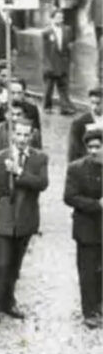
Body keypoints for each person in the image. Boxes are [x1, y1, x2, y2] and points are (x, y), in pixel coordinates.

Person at [0, 121, 48, 324]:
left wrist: (19, 172)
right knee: (0, 263)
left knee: (14, 266)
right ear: (12, 135)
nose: (22, 139)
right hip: (3, 218)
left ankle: (8, 301)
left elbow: (41, 184)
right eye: (18, 134)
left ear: (32, 136)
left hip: (25, 219)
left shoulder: (39, 158)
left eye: (26, 135)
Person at [63, 127, 103, 328]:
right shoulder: (76, 168)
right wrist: (96, 205)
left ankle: (100, 305)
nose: (94, 151)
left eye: (98, 147)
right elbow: (69, 197)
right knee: (87, 271)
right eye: (90, 147)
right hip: (86, 229)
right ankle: (89, 311)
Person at [42, 9, 76, 115]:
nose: (60, 19)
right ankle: (47, 106)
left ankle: (64, 107)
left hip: (62, 63)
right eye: (57, 17)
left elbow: (69, 47)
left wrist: (69, 61)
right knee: (49, 88)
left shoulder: (67, 30)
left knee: (63, 86)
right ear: (52, 18)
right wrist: (47, 65)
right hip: (51, 63)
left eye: (61, 17)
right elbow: (45, 51)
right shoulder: (46, 32)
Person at [67, 87, 103, 163]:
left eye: (98, 103)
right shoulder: (79, 124)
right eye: (92, 103)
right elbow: (73, 153)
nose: (94, 107)